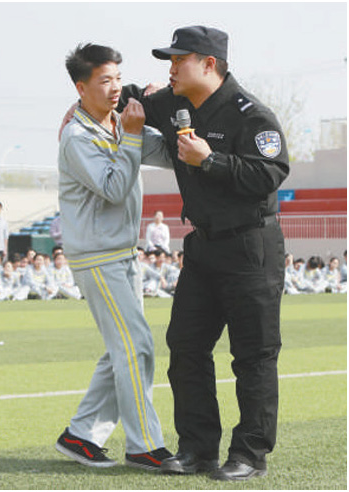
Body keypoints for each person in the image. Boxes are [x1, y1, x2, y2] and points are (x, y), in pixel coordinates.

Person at [117, 26, 290, 479]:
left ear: (209, 64)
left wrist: (209, 160)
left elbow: (270, 173)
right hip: (203, 247)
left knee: (253, 355)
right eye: (170, 61)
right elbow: (125, 97)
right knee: (186, 346)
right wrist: (82, 108)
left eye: (179, 60)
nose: (171, 69)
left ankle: (250, 454)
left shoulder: (251, 115)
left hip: (250, 246)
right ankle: (197, 449)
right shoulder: (172, 102)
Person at [55, 43, 174, 471]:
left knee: (121, 348)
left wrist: (167, 109)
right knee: (135, 346)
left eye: (118, 79)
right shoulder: (77, 137)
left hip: (122, 252)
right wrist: (135, 135)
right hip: (97, 256)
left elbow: (170, 155)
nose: (115, 88)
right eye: (105, 81)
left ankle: (81, 435)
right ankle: (144, 445)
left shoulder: (119, 123)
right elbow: (113, 187)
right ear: (80, 87)